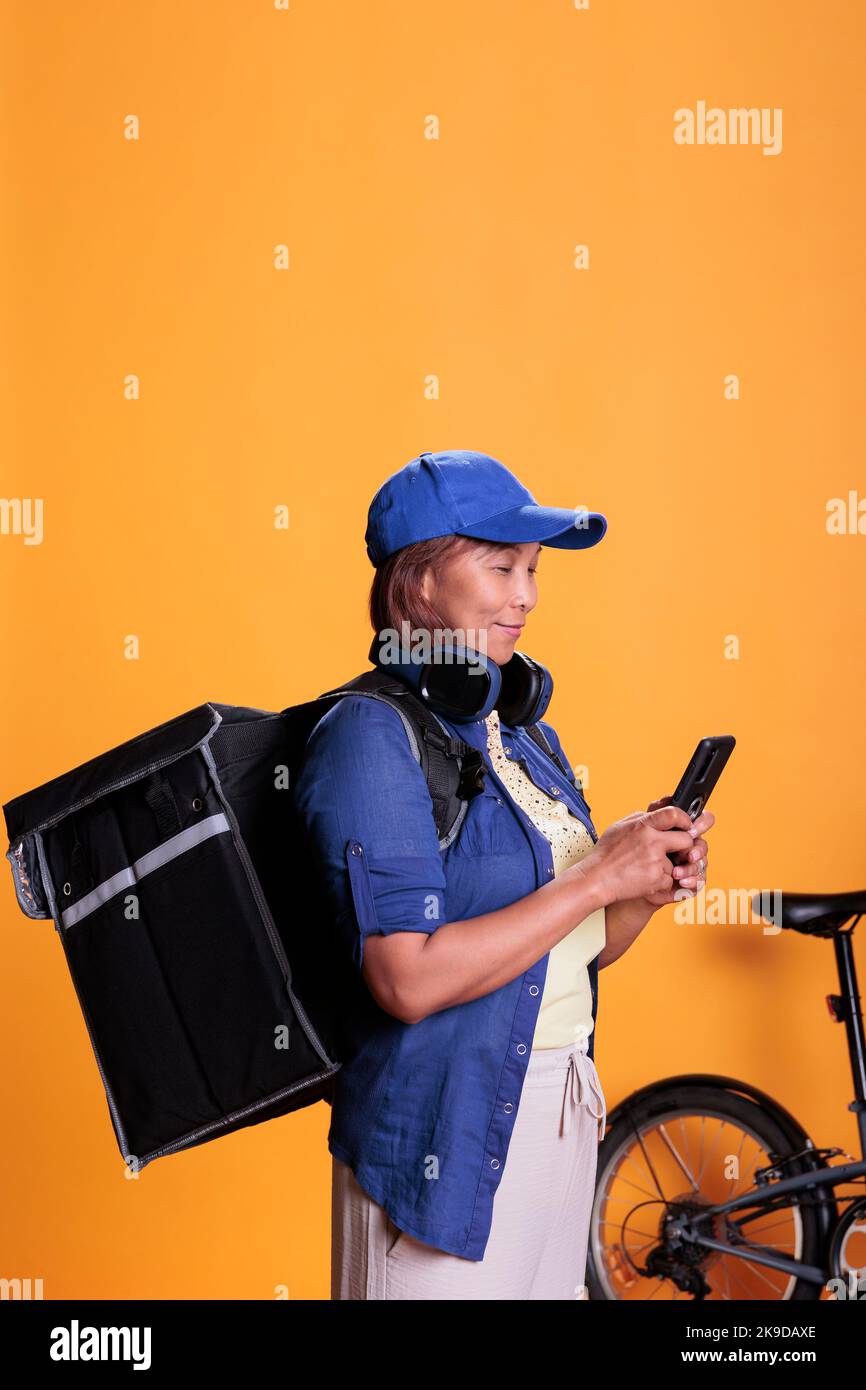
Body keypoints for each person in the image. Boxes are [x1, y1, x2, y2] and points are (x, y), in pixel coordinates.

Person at [293, 449, 714, 1300]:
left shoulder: (526, 739)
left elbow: (578, 953)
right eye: (499, 567)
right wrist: (595, 878)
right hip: (443, 1128)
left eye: (532, 570)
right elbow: (404, 979)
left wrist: (641, 888)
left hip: (563, 1106)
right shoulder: (370, 735)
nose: (524, 595)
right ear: (417, 585)